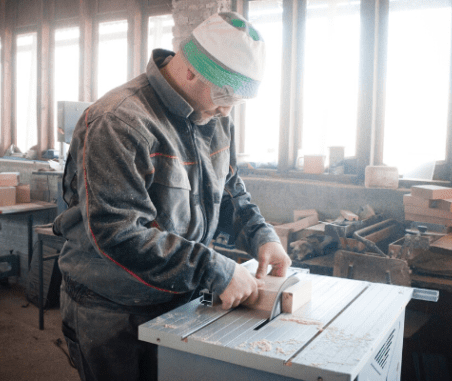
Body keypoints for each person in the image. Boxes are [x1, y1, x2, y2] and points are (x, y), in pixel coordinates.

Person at [53, 12, 291, 381]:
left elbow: (227, 188)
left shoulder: (213, 114)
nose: (227, 109)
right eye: (225, 95)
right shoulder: (119, 122)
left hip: (180, 295)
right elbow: (118, 232)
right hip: (114, 310)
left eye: (236, 101)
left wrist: (261, 234)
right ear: (192, 70)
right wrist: (213, 268)